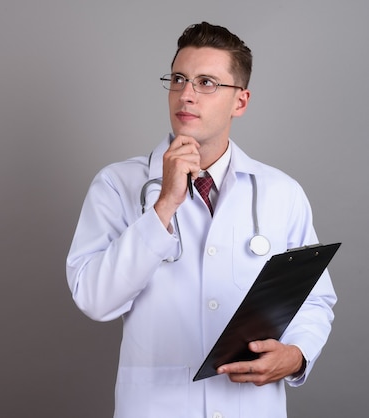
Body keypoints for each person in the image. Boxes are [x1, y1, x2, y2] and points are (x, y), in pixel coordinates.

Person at [66, 22, 336, 418]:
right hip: (157, 407)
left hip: (250, 407)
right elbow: (94, 298)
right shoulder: (118, 184)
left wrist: (296, 355)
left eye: (206, 82)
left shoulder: (281, 192)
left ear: (240, 102)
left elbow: (315, 299)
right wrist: (164, 206)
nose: (186, 94)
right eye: (179, 79)